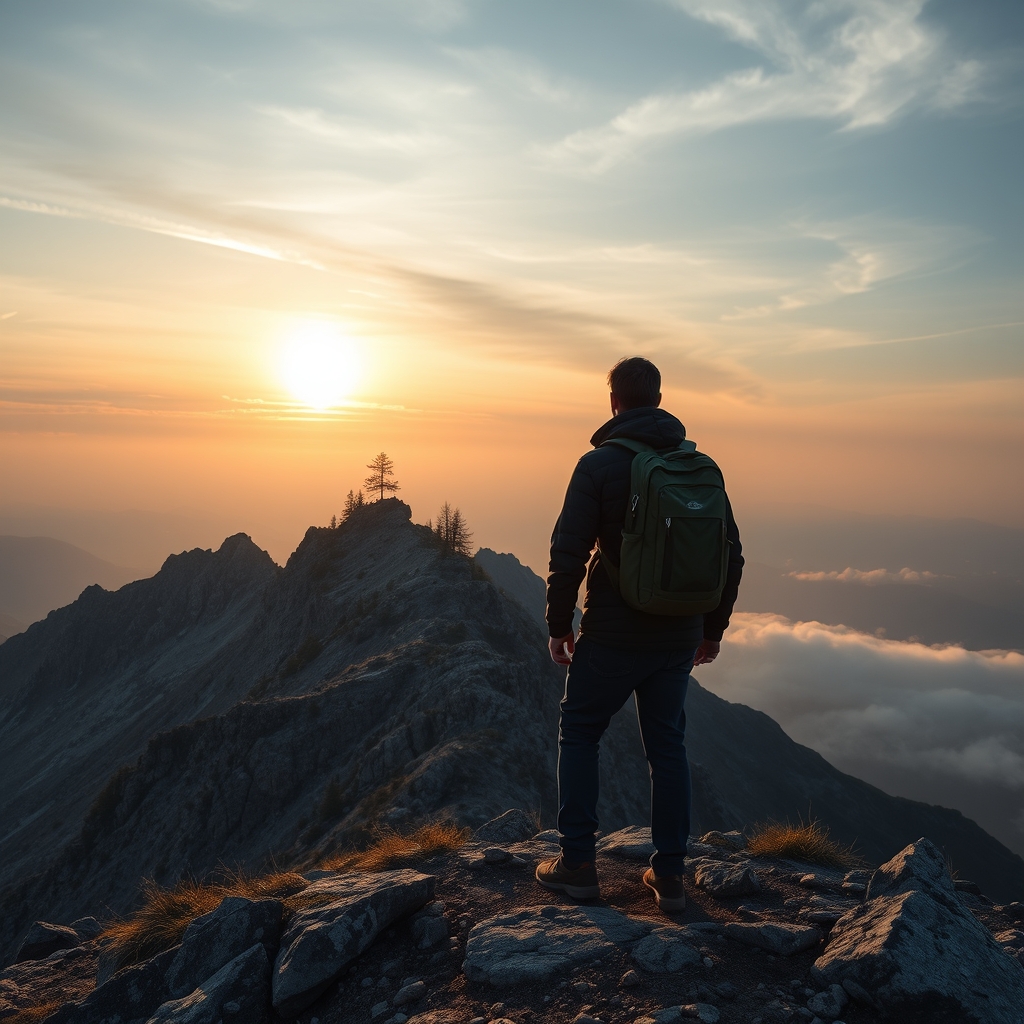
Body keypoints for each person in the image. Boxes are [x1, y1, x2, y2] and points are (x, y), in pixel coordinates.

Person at [535, 356, 743, 911]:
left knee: (580, 733)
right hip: (678, 636)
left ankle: (577, 865)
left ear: (614, 402)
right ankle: (670, 875)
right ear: (657, 397)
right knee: (667, 748)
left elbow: (569, 550)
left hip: (612, 633)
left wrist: (560, 625)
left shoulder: (599, 465)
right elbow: (732, 553)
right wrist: (711, 629)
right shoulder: (699, 465)